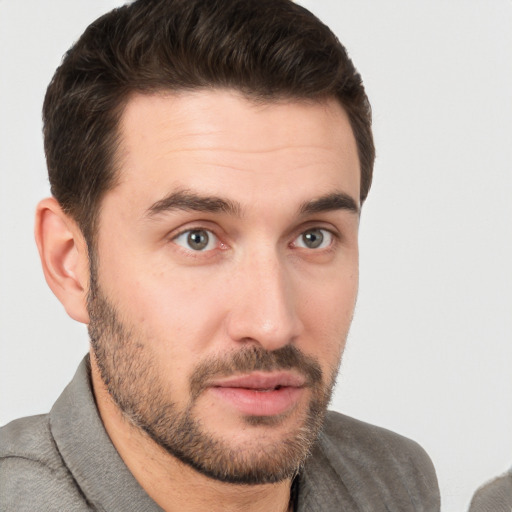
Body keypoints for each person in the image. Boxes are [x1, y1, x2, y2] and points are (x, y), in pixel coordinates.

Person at [0, 0, 440, 510]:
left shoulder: (394, 482)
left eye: (313, 236)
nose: (272, 324)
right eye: (197, 238)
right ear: (69, 263)